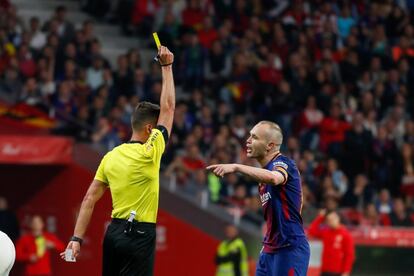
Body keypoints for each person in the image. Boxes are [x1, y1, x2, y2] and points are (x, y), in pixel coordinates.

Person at [60, 46, 175, 276]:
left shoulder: (110, 156)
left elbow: (89, 198)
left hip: (113, 233)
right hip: (140, 234)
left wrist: (76, 239)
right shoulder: (150, 152)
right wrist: (167, 67)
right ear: (150, 129)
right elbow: (169, 108)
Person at [207, 121, 310, 276]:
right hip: (269, 249)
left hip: (290, 248)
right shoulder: (263, 176)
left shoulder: (283, 163)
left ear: (270, 145)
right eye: (249, 136)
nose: (248, 141)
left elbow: (275, 178)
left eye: (254, 137)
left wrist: (237, 167)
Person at [308, 210, 355, 276]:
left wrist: (346, 271)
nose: (331, 221)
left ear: (339, 219)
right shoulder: (326, 232)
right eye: (329, 220)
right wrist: (320, 217)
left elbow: (349, 255)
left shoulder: (346, 234)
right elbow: (311, 231)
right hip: (324, 270)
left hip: (337, 272)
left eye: (333, 218)